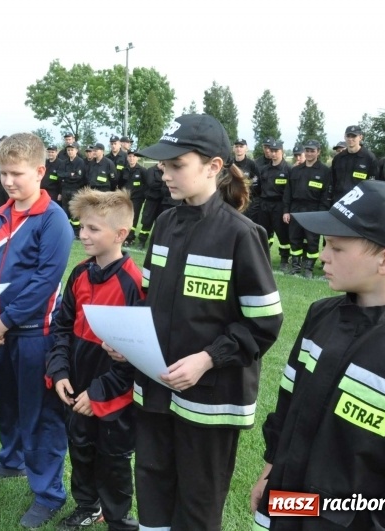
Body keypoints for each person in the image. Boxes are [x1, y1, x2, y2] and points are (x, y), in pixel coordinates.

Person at [116, 114, 283, 530]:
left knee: (197, 503)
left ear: (213, 167)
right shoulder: (165, 224)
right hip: (156, 388)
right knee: (152, 487)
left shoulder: (241, 234)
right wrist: (128, 338)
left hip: (210, 401)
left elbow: (263, 323)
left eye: (177, 165)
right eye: (163, 165)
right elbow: (151, 302)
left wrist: (208, 358)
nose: (165, 173)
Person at [250, 180, 385, 530]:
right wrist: (271, 469)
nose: (322, 256)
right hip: (288, 504)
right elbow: (289, 404)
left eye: (336, 247)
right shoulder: (321, 314)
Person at [0, 132, 74, 529]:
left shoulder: (54, 221)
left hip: (36, 333)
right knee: (8, 403)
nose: (9, 181)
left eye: (17, 173)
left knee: (41, 414)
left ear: (40, 171)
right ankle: (12, 459)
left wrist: (5, 320)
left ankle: (49, 492)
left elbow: (45, 281)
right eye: (3, 173)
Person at [46, 188, 143, 531]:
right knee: (81, 448)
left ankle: (118, 518)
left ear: (120, 234)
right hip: (76, 387)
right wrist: (59, 371)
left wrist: (100, 392)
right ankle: (88, 506)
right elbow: (60, 326)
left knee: (113, 458)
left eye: (93, 229)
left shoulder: (136, 284)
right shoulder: (80, 274)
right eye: (82, 226)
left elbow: (138, 354)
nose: (83, 235)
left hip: (113, 394)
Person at [282, 140, 331, 277]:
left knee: (312, 240)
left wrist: (321, 213)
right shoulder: (295, 170)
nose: (309, 153)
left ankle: (309, 268)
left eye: (312, 151)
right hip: (296, 209)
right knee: (295, 239)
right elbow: (288, 192)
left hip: (314, 209)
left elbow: (326, 194)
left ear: (318, 152)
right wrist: (286, 211)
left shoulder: (325, 171)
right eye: (307, 151)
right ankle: (296, 267)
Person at [260, 139, 292, 271]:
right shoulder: (264, 169)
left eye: (276, 151)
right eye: (271, 151)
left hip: (279, 205)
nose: (273, 154)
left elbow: (289, 192)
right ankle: (263, 258)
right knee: (263, 233)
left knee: (282, 234)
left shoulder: (288, 169)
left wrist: (286, 209)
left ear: (282, 152)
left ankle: (284, 259)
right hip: (265, 204)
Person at [329, 125, 378, 203]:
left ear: (360, 137)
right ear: (344, 137)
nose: (350, 139)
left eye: (354, 136)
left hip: (359, 203)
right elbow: (332, 181)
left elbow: (372, 185)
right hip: (338, 201)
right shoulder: (338, 158)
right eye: (348, 136)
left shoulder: (369, 158)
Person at [58, 143, 87, 237]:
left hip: (75, 189)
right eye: (68, 150)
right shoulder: (64, 162)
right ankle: (66, 229)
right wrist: (69, 174)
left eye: (72, 150)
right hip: (65, 189)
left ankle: (76, 231)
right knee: (65, 210)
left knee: (74, 211)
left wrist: (67, 176)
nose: (70, 152)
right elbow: (60, 174)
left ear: (76, 150)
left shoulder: (80, 162)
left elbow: (79, 177)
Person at [120, 150, 147, 246]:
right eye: (130, 156)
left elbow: (146, 184)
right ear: (127, 158)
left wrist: (142, 196)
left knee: (133, 219)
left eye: (134, 156)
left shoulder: (142, 170)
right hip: (125, 199)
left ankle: (130, 238)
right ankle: (124, 237)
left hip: (137, 199)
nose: (132, 158)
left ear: (137, 158)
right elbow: (120, 184)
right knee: (124, 218)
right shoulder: (124, 170)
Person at [232, 138, 262, 224]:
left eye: (241, 146)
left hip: (248, 203)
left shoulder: (251, 164)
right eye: (236, 146)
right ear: (233, 148)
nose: (238, 149)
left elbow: (257, 183)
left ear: (246, 148)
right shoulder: (229, 164)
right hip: (232, 201)